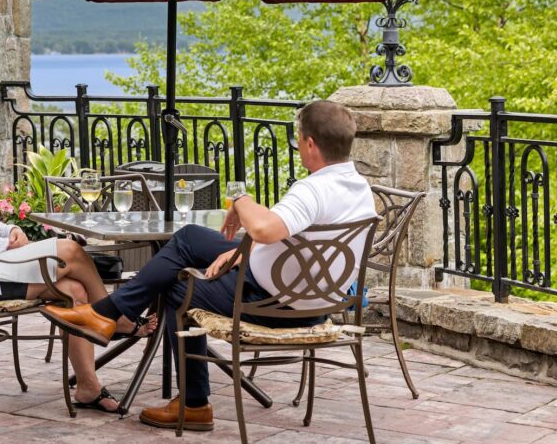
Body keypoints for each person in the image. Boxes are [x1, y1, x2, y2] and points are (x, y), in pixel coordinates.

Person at [40, 100, 376, 431]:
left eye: (299, 139)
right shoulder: (359, 188)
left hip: (271, 302)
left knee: (174, 287)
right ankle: (108, 313)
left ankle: (194, 403)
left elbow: (264, 229)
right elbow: (297, 243)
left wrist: (241, 201)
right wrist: (244, 251)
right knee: (189, 238)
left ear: (310, 144)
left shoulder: (313, 190)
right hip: (316, 301)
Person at [0, 99, 155, 413]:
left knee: (74, 291)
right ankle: (115, 317)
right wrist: (9, 247)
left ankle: (88, 388)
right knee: (71, 250)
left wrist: (8, 230)